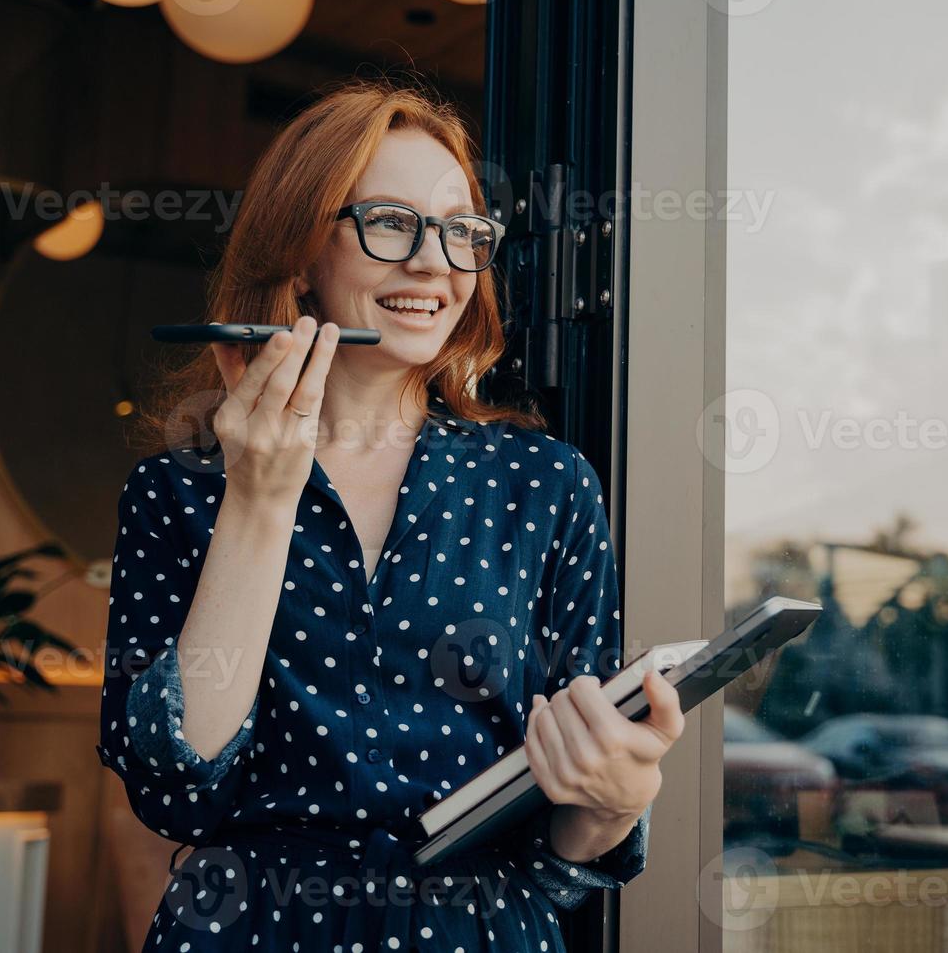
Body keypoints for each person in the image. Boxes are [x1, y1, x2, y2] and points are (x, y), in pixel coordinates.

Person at [95, 76, 687, 951]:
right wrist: (258, 496)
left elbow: (568, 855)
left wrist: (614, 802)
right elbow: (179, 792)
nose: (434, 263)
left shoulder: (545, 484)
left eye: (459, 230)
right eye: (390, 223)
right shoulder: (176, 492)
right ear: (298, 251)